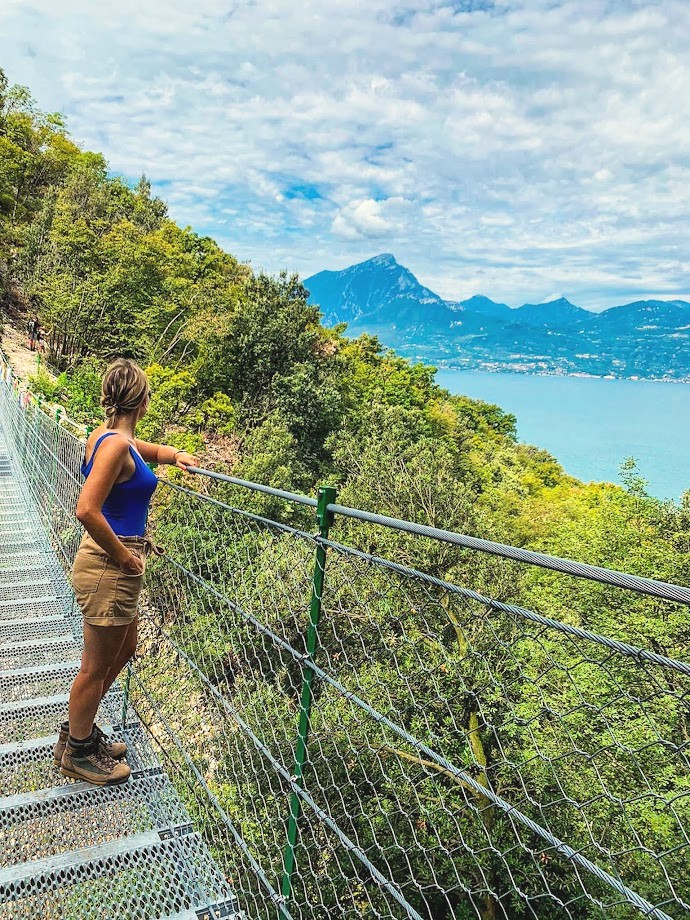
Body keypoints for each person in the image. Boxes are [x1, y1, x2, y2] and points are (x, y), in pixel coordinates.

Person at [54, 358, 199, 785]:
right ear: (143, 400)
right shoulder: (116, 445)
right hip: (109, 564)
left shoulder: (108, 438)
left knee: (125, 648)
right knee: (95, 666)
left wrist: (174, 456)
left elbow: (143, 453)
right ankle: (77, 752)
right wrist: (122, 556)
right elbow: (85, 509)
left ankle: (78, 732)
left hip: (114, 563)